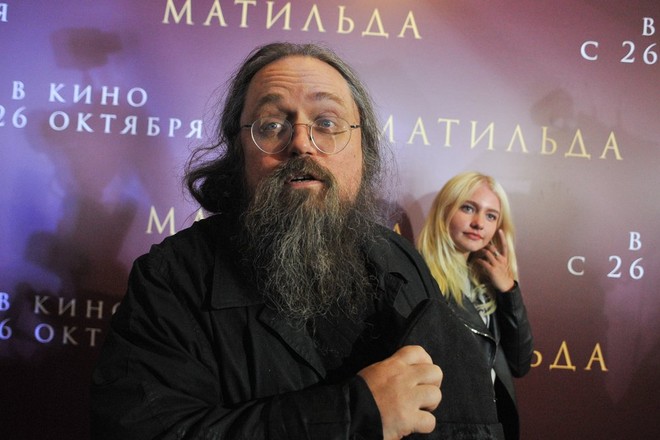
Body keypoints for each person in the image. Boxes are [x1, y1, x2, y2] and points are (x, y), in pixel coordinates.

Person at [91, 42, 502, 440]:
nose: (302, 143)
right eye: (271, 125)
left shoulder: (401, 258)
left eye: (327, 123)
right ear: (238, 152)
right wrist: (352, 414)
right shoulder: (171, 279)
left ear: (364, 150)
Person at [417, 172, 534, 440]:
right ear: (445, 210)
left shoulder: (489, 284)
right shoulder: (421, 277)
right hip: (445, 430)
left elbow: (520, 363)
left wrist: (509, 291)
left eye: (491, 216)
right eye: (468, 208)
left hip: (489, 427)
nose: (479, 223)